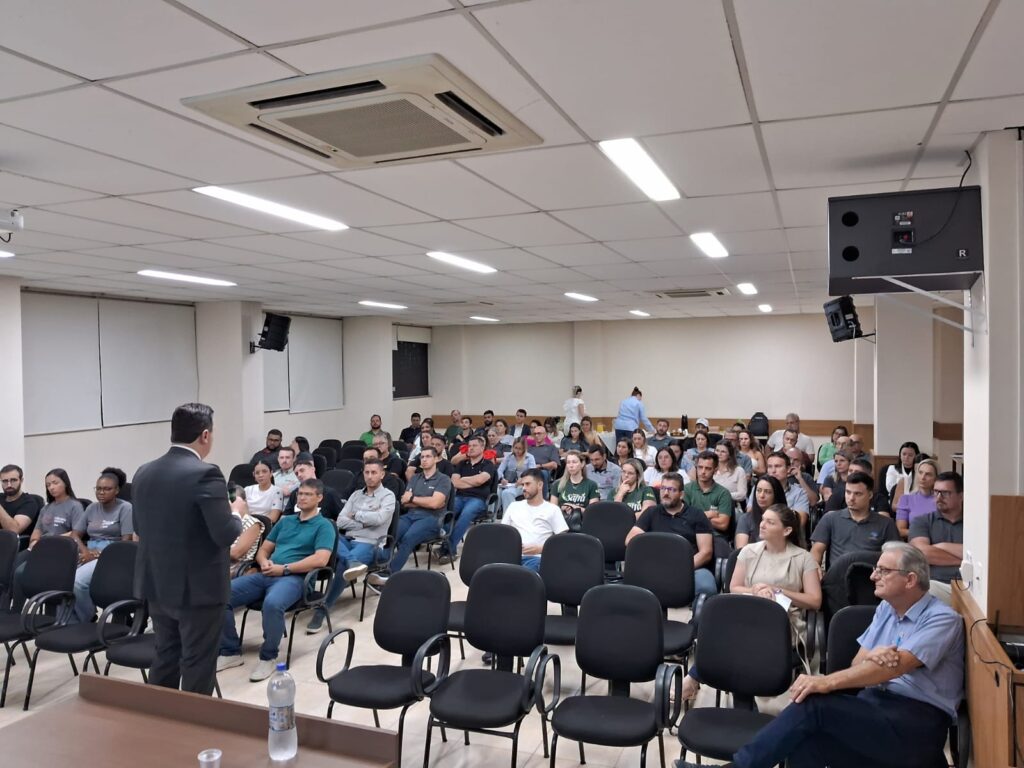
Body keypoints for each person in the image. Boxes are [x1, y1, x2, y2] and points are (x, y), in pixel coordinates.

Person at [679, 543, 964, 768]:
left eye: (883, 571)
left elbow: (896, 667)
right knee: (804, 742)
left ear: (910, 579)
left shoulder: (942, 619)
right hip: (875, 706)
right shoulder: (887, 609)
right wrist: (875, 659)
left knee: (814, 704)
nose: (873, 576)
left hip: (917, 722)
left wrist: (827, 682)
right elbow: (859, 664)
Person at [133, 403, 241, 695]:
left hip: (157, 584)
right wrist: (237, 513)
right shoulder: (206, 473)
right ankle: (193, 723)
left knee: (165, 655)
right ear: (205, 435)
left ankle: (159, 718)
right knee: (197, 663)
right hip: (199, 589)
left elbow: (140, 527)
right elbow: (225, 534)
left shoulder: (144, 472)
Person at [218, 478, 335, 681]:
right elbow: (264, 550)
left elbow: (321, 559)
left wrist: (285, 569)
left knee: (272, 604)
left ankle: (268, 657)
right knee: (220, 596)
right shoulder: (286, 521)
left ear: (319, 498)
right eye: (300, 494)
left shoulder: (324, 526)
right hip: (268, 573)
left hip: (297, 578)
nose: (302, 497)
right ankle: (230, 651)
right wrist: (264, 562)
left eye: (308, 494)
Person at [306, 459, 395, 633]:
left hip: (370, 542)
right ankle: (352, 561)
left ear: (382, 474)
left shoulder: (388, 496)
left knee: (342, 565)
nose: (369, 476)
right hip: (347, 539)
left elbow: (379, 519)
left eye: (374, 472)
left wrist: (355, 515)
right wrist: (365, 522)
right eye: (367, 472)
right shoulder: (355, 495)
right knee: (324, 538)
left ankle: (323, 609)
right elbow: (341, 521)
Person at [369, 447, 452, 586]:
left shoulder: (443, 479)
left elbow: (435, 504)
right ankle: (380, 568)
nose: (424, 460)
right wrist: (425, 501)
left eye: (428, 456)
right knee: (390, 535)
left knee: (409, 538)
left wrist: (413, 498)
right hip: (411, 515)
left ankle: (389, 574)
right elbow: (404, 501)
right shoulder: (415, 478)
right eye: (422, 457)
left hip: (432, 519)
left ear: (436, 459)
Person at [626, 472, 716, 596]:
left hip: (688, 568)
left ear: (681, 494)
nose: (666, 493)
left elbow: (706, 553)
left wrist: (681, 568)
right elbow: (630, 540)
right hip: (655, 566)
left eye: (671, 489)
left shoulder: (696, 515)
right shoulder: (651, 512)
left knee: (706, 586)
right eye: (663, 488)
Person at [12, 469, 85, 611]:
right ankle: (14, 610)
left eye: (55, 483)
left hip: (61, 550)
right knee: (15, 569)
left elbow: (77, 533)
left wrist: (50, 542)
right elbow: (37, 531)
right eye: (48, 485)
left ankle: (46, 615)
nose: (51, 487)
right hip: (41, 548)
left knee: (24, 573)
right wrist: (34, 541)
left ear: (65, 483)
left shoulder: (75, 506)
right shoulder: (46, 508)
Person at [71, 468, 134, 623]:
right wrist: (85, 552)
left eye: (107, 489)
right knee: (61, 578)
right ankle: (70, 620)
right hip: (89, 552)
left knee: (77, 582)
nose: (101, 492)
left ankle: (87, 618)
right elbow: (75, 534)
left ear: (117, 490)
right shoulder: (92, 508)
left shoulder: (125, 508)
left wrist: (98, 554)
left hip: (112, 555)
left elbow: (126, 541)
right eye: (98, 488)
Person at [810, 471, 899, 567]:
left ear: (870, 495)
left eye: (857, 494)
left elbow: (896, 555)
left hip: (872, 574)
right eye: (848, 492)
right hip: (838, 574)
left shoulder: (886, 523)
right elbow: (816, 550)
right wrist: (815, 568)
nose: (851, 498)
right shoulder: (830, 518)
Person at [436, 436, 496, 562]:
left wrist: (463, 480)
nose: (471, 448)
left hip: (478, 499)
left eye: (474, 445)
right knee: (447, 513)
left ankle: (447, 549)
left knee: (465, 515)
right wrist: (472, 481)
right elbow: (454, 482)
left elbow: (480, 480)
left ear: (482, 448)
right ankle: (449, 549)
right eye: (470, 446)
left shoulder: (488, 464)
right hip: (460, 497)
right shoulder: (461, 464)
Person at [910, 471, 964, 605]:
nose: (939, 497)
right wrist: (966, 560)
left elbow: (982, 555)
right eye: (936, 492)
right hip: (935, 583)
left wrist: (941, 546)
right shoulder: (922, 521)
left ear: (961, 495)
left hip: (970, 586)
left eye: (945, 493)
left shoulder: (974, 523)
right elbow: (922, 554)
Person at [503, 468, 569, 572]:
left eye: (528, 484)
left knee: (524, 573)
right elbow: (503, 533)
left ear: (540, 485)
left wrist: (541, 548)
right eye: (523, 485)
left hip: (537, 558)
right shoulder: (514, 506)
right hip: (511, 556)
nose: (524, 488)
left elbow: (563, 541)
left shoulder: (552, 509)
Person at [683, 451, 735, 534]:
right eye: (700, 467)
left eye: (708, 468)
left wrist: (694, 517)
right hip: (690, 533)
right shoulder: (686, 489)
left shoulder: (723, 493)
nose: (703, 471)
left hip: (715, 535)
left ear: (715, 470)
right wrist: (709, 514)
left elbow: (723, 524)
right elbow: (683, 518)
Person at [281, 453, 343, 519]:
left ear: (313, 469)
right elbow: (284, 517)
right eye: (296, 473)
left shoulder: (329, 493)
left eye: (302, 470)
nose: (299, 475)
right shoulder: (295, 493)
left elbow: (340, 518)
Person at [734, 474, 788, 548]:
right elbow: (741, 550)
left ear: (776, 494)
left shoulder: (786, 519)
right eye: (758, 490)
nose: (761, 495)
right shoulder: (745, 519)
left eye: (767, 492)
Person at [550, 451, 600, 525]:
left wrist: (575, 508)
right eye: (568, 462)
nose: (571, 465)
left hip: (583, 523)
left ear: (582, 464)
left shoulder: (592, 485)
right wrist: (561, 509)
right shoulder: (557, 484)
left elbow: (592, 512)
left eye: (574, 462)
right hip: (562, 523)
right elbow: (552, 510)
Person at [894, 458, 939, 537]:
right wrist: (923, 534)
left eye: (928, 474)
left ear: (936, 478)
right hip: (915, 540)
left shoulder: (941, 500)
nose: (923, 477)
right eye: (920, 473)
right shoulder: (906, 499)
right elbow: (900, 530)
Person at [227, 484, 264, 576]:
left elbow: (236, 553)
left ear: (244, 501)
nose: (229, 503)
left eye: (233, 500)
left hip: (235, 568)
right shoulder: (224, 521)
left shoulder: (253, 523)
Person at [0, 464, 42, 536]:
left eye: (13, 480)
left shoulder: (29, 502)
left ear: (21, 480)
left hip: (12, 542)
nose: (9, 485)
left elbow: (14, 530)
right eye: (5, 481)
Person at [497, 438, 537, 512]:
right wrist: (502, 478)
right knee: (497, 491)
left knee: (507, 493)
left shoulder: (529, 457)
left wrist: (523, 479)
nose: (517, 451)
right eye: (515, 448)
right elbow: (499, 470)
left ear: (524, 448)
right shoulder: (509, 456)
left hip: (522, 485)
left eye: (520, 449)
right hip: (509, 483)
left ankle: (510, 515)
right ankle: (493, 514)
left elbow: (532, 473)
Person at [244, 460, 284, 524]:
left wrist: (255, 522)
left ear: (271, 473)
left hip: (264, 524)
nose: (261, 475)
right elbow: (241, 511)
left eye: (264, 471)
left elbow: (273, 518)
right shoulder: (247, 490)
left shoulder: (277, 491)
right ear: (254, 475)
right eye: (257, 473)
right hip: (246, 523)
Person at [528, 423, 561, 491]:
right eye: (535, 434)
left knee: (542, 473)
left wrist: (540, 466)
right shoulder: (529, 448)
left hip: (543, 471)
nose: (536, 435)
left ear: (545, 435)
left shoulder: (551, 448)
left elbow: (554, 465)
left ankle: (543, 497)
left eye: (539, 433)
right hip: (529, 470)